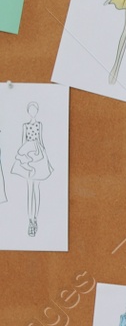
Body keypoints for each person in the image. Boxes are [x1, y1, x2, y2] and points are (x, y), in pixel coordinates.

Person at [10, 101, 53, 239]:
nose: (33, 112)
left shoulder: (39, 125)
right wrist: (23, 158)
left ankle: (35, 218)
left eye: (35, 110)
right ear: (29, 111)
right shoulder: (25, 125)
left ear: (37, 111)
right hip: (27, 154)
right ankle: (30, 219)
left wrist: (45, 158)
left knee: (37, 188)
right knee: (30, 188)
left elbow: (41, 140)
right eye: (31, 110)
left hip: (38, 154)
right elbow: (23, 141)